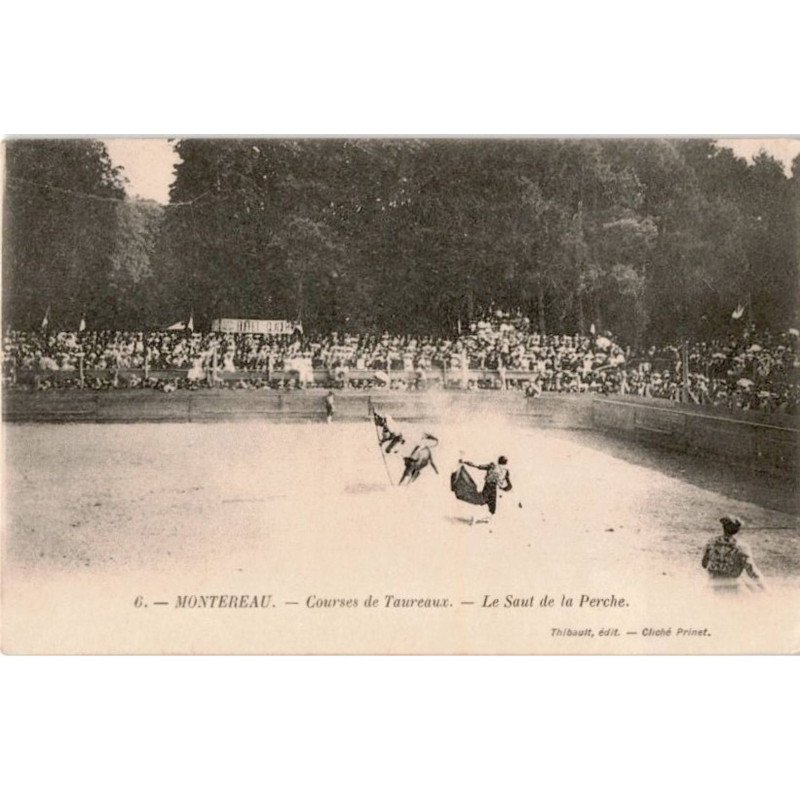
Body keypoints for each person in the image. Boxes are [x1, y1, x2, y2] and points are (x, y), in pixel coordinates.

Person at [701, 516, 764, 591]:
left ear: (723, 527)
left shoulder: (711, 542)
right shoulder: (741, 547)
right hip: (732, 587)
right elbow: (752, 572)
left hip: (712, 586)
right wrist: (765, 589)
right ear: (737, 529)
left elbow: (704, 564)